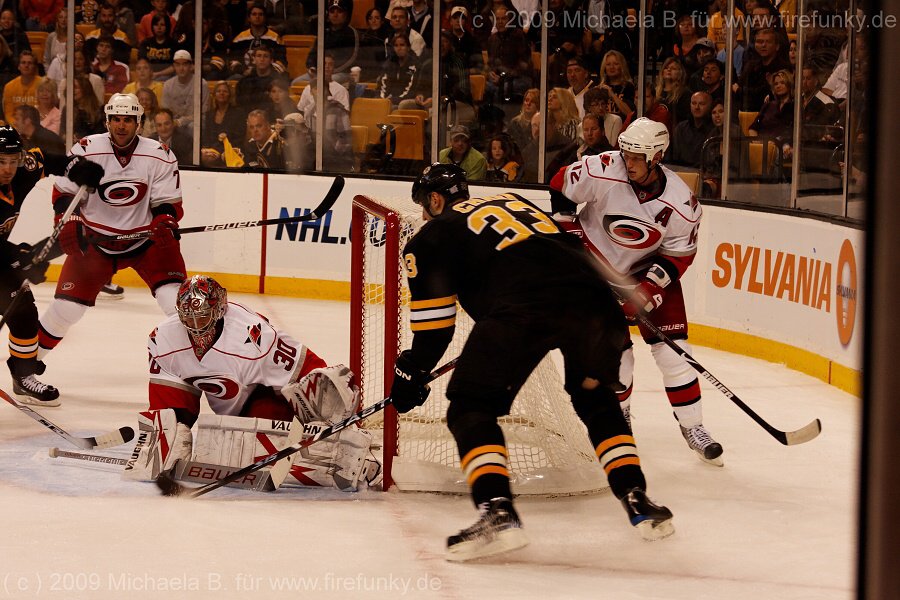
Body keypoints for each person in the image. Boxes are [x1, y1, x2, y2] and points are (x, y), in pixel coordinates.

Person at [389, 163, 674, 561]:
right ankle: (637, 498)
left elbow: (434, 333)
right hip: (593, 302)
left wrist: (409, 373)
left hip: (524, 308)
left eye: (423, 204)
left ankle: (496, 510)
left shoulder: (430, 236)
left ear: (435, 200)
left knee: (471, 406)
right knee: (596, 400)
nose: (421, 214)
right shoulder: (513, 201)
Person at [549, 118, 724, 467]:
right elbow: (559, 186)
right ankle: (621, 421)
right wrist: (573, 239)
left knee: (675, 356)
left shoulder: (681, 204)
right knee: (618, 356)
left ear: (656, 157)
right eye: (625, 152)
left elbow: (678, 255)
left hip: (645, 270)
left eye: (635, 157)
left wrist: (645, 291)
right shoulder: (603, 168)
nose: (626, 161)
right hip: (594, 270)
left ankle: (694, 427)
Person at [126, 274, 381, 491]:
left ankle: (343, 455)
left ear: (219, 310)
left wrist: (345, 423)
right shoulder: (163, 339)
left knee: (297, 410)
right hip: (231, 408)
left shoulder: (252, 336)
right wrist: (173, 429)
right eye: (188, 318)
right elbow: (168, 392)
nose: (195, 327)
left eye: (202, 318)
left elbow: (306, 371)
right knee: (174, 431)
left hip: (261, 397)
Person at [37, 93, 187, 380]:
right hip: (96, 241)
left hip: (146, 241)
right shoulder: (86, 149)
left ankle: (198, 368)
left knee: (175, 302)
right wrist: (69, 219)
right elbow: (64, 194)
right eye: (116, 119)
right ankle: (27, 365)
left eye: (128, 120)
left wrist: (164, 220)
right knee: (66, 309)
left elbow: (167, 204)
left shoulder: (159, 154)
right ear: (107, 121)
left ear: (139, 123)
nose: (121, 125)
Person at [0, 124, 101, 406]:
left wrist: (77, 167)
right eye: (0, 162)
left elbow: (48, 158)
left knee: (22, 310)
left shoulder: (22, 169)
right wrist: (21, 258)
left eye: (12, 160)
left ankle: (23, 376)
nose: (8, 168)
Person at [161, 50, 209, 132]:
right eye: (178, 65)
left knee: (192, 127)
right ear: (174, 66)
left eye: (185, 64)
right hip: (174, 123)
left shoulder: (201, 84)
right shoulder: (168, 85)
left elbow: (204, 112)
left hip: (195, 122)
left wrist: (182, 121)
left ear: (191, 66)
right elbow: (165, 111)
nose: (181, 68)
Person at [2, 50, 42, 126]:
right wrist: (17, 126)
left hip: (37, 126)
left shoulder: (42, 85)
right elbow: (8, 114)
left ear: (34, 66)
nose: (26, 65)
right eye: (23, 62)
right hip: (16, 126)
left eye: (30, 63)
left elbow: (45, 111)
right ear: (19, 66)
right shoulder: (9, 87)